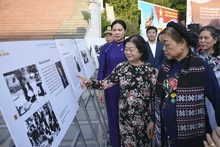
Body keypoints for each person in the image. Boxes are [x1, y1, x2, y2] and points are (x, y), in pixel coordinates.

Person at [147, 21, 220, 147]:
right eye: (162, 44)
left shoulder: (201, 67)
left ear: (182, 43)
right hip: (165, 134)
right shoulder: (165, 67)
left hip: (192, 137)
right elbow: (161, 97)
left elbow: (218, 100)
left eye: (166, 44)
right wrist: (153, 120)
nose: (163, 48)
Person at [77, 35, 158, 147]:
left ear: (141, 51)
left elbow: (155, 97)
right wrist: (90, 82)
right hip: (125, 117)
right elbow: (105, 83)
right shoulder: (121, 67)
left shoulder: (151, 71)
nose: (127, 52)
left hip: (144, 118)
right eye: (126, 49)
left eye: (131, 49)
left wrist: (153, 120)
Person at [97, 20, 127, 147]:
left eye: (120, 30)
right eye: (114, 30)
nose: (117, 33)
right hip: (111, 88)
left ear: (125, 31)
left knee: (128, 115)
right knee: (113, 115)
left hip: (129, 87)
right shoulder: (106, 48)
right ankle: (116, 143)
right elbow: (102, 69)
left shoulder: (131, 45)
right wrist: (100, 90)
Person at [195, 26, 220, 131]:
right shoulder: (195, 57)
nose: (202, 41)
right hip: (199, 98)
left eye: (206, 38)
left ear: (215, 40)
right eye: (200, 38)